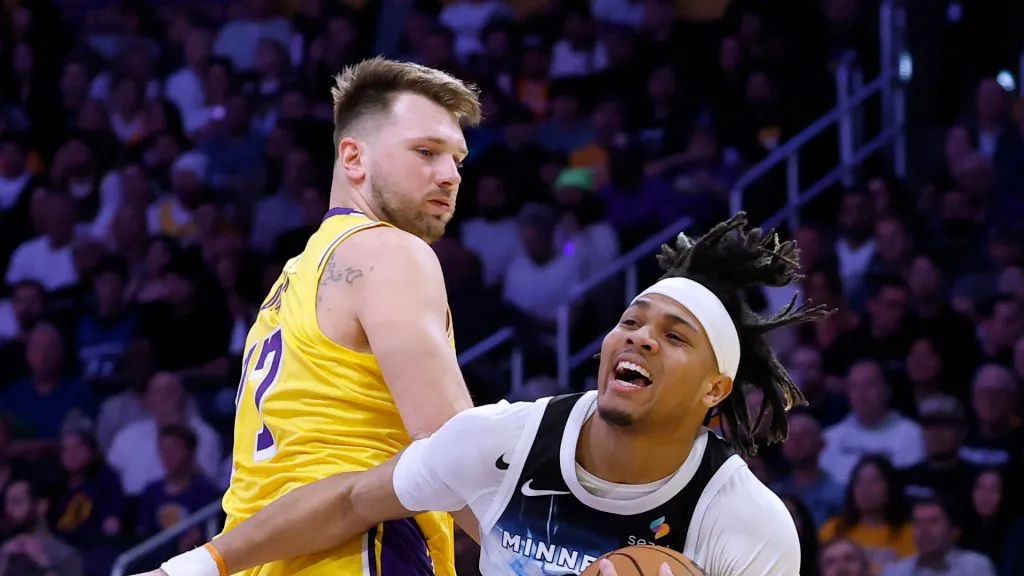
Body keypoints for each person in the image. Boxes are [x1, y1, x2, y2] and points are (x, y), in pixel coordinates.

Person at [147, 213, 832, 576]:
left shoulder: (746, 523)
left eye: (673, 335)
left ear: (716, 388)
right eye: (629, 322)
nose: (639, 339)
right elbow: (352, 498)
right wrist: (197, 565)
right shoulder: (506, 441)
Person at [153, 56, 481, 576]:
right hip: (358, 545)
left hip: (262, 553)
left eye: (458, 159)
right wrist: (549, 551)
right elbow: (456, 447)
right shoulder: (389, 251)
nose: (450, 175)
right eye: (426, 152)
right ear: (354, 157)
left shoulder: (294, 277)